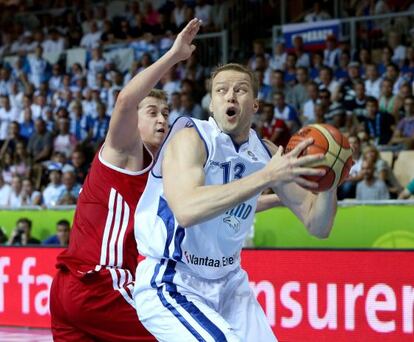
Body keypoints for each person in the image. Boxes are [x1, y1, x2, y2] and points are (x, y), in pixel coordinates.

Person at [133, 19, 337, 342]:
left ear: (254, 105)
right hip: (172, 279)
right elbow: (185, 209)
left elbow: (318, 225)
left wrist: (330, 181)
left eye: (240, 90)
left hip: (229, 283)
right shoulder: (191, 137)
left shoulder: (267, 153)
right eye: (221, 90)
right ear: (212, 104)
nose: (230, 96)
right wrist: (266, 178)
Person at [49, 20, 198, 342]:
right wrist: (173, 55)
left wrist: (272, 195)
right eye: (153, 112)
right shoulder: (122, 152)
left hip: (68, 288)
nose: (162, 119)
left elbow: (201, 206)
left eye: (166, 112)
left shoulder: (159, 170)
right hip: (101, 282)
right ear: (135, 121)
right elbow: (125, 101)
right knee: (179, 334)